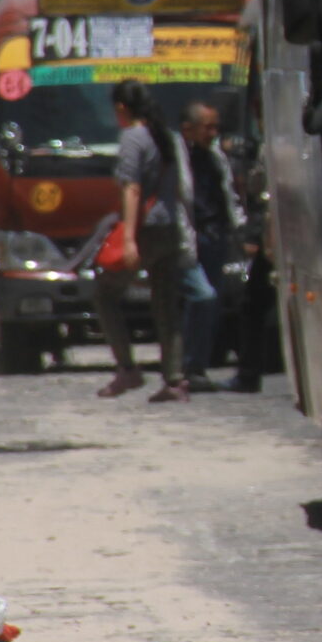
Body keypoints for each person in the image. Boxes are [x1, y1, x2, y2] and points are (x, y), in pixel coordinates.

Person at [92, 79, 191, 401]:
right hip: (169, 227)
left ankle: (127, 369)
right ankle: (175, 379)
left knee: (105, 294)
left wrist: (130, 238)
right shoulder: (168, 136)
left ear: (122, 107)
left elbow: (131, 188)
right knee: (166, 304)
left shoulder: (133, 137)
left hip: (146, 229)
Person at [173, 101, 239, 392]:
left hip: (216, 237)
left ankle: (196, 369)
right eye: (207, 127)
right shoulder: (175, 158)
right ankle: (185, 364)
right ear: (188, 129)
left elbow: (227, 194)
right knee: (203, 297)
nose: (214, 133)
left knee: (208, 306)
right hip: (189, 238)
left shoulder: (214, 157)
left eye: (216, 127)